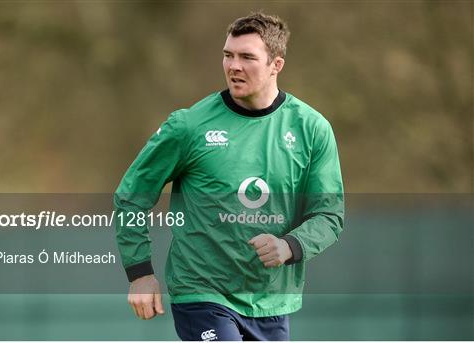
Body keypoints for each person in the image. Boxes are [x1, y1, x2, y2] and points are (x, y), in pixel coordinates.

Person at [114, 12, 344, 341]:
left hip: (270, 301)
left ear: (276, 65)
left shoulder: (311, 129)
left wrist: (289, 245)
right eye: (228, 55)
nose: (233, 66)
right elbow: (131, 196)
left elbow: (329, 214)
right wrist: (139, 272)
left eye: (247, 57)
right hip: (202, 294)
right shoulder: (189, 127)